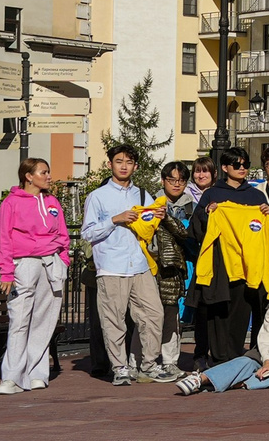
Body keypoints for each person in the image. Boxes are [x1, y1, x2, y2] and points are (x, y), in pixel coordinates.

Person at [176, 264, 269, 393]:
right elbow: (267, 337)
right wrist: (267, 361)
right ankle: (199, 379)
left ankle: (243, 383)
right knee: (245, 362)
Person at [0, 157, 72, 394]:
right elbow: (3, 238)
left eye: (48, 172)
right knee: (19, 320)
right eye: (43, 172)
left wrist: (64, 259)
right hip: (24, 263)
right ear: (29, 176)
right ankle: (12, 377)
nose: (48, 176)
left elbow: (63, 233)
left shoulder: (51, 201)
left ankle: (37, 373)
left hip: (51, 263)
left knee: (44, 320)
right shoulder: (11, 203)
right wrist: (6, 272)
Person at [82, 145, 159, 386]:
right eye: (119, 161)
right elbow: (88, 233)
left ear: (136, 166)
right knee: (114, 320)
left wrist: (158, 217)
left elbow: (151, 225)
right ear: (110, 165)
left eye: (129, 162)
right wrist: (115, 220)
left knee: (154, 315)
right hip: (111, 265)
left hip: (140, 263)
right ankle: (120, 367)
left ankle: (148, 365)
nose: (124, 166)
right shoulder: (98, 196)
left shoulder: (144, 195)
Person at [147, 162, 197, 380]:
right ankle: (144, 361)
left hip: (176, 268)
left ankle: (170, 361)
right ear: (163, 180)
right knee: (146, 316)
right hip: (151, 266)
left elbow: (191, 238)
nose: (176, 184)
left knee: (171, 316)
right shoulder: (150, 203)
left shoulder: (192, 207)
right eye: (172, 179)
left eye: (181, 180)